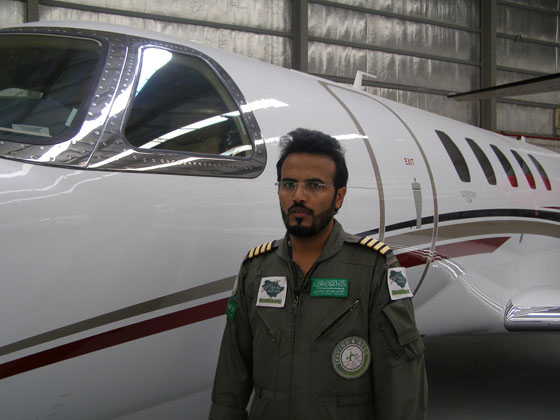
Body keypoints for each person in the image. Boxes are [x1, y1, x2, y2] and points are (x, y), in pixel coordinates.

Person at [209, 128, 427, 420]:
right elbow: (231, 376)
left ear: (339, 197)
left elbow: (401, 381)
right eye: (288, 184)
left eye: (314, 185)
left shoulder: (374, 269)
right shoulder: (256, 270)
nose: (298, 196)